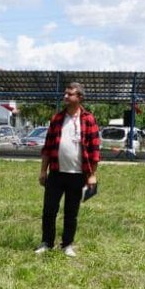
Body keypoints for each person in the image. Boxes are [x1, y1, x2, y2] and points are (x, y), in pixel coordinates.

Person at [37, 82, 100, 257]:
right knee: (49, 210)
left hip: (77, 175)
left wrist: (92, 176)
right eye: (65, 94)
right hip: (56, 173)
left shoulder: (89, 119)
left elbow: (94, 151)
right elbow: (47, 148)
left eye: (69, 94)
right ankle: (47, 242)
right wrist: (43, 171)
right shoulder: (57, 119)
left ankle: (67, 245)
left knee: (71, 213)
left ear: (79, 97)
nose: (65, 97)